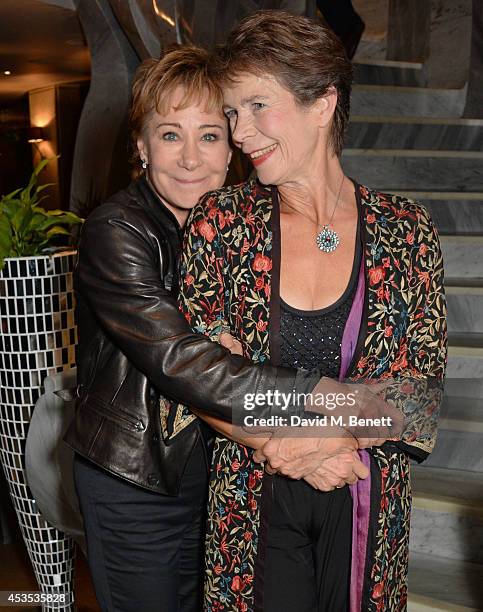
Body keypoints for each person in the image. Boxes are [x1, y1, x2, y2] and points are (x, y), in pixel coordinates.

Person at [64, 46, 370, 612]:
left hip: (219, 476)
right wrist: (312, 403)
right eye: (169, 134)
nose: (189, 158)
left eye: (209, 136)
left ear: (232, 149)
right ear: (140, 146)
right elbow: (181, 358)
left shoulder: (239, 227)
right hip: (135, 478)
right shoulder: (118, 230)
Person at [176, 12, 446, 612]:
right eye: (232, 113)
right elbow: (204, 376)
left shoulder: (406, 231)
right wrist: (295, 441)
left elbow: (417, 400)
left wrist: (316, 435)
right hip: (250, 501)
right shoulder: (221, 223)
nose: (239, 132)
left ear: (323, 103)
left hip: (366, 495)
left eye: (255, 106)